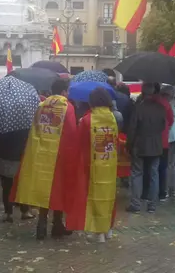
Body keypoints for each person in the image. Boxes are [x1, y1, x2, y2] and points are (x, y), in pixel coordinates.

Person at [13, 79, 78, 239]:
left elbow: (34, 130)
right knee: (58, 190)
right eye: (68, 91)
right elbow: (70, 133)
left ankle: (41, 225)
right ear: (63, 91)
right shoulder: (67, 107)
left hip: (40, 154)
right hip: (59, 156)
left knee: (43, 190)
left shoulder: (42, 106)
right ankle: (57, 225)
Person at [66, 87, 119, 243]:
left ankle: (97, 232)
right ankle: (108, 229)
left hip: (92, 164)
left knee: (93, 197)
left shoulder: (87, 120)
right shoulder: (112, 118)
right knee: (108, 196)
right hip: (109, 164)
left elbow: (80, 143)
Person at [126, 82, 168, 214]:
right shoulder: (161, 109)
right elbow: (163, 127)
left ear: (143, 93)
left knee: (137, 174)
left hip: (140, 145)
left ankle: (136, 204)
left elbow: (132, 129)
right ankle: (152, 205)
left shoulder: (138, 108)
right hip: (156, 145)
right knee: (154, 174)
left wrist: (129, 144)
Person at [163, 86, 175, 197]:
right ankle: (173, 188)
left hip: (169, 137)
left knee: (166, 164)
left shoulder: (166, 106)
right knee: (172, 164)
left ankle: (165, 189)